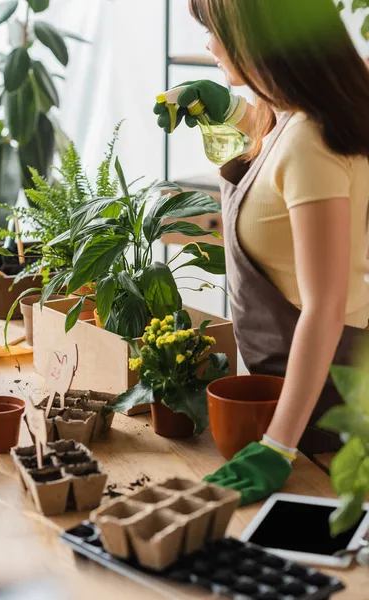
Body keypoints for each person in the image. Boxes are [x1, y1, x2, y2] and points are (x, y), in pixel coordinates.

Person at [154, 0, 369, 505]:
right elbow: (274, 172)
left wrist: (279, 446)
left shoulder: (312, 141)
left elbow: (325, 307)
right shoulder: (292, 117)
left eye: (212, 29)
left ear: (252, 36)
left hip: (322, 408)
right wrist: (233, 112)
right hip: (290, 387)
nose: (207, 45)